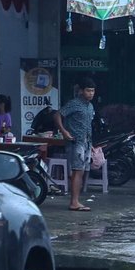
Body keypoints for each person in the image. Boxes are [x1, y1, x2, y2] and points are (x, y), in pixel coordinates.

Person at [54, 76, 97, 211]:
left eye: (93, 91)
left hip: (86, 141)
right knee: (77, 171)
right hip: (75, 141)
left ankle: (76, 200)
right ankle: (74, 202)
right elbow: (57, 115)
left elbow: (87, 125)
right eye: (88, 91)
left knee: (82, 171)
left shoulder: (90, 106)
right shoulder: (74, 104)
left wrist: (91, 143)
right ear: (81, 91)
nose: (91, 93)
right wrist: (64, 131)